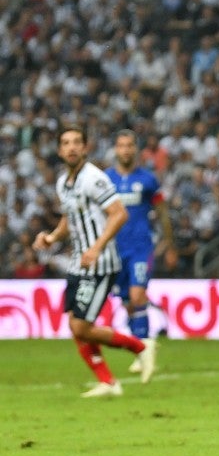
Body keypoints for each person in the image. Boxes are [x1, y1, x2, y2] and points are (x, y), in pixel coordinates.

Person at [32, 126, 154, 397]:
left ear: (85, 147)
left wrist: (97, 248)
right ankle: (108, 383)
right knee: (77, 326)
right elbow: (69, 220)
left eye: (77, 142)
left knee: (80, 326)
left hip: (100, 264)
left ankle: (140, 348)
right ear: (59, 150)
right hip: (79, 262)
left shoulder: (94, 178)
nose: (72, 147)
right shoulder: (63, 182)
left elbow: (119, 213)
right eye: (66, 143)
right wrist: (52, 238)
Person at [106, 129, 175, 376]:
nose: (125, 150)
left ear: (136, 149)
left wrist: (169, 243)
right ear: (116, 149)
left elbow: (163, 211)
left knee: (137, 296)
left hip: (140, 247)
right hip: (114, 250)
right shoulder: (105, 180)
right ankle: (139, 348)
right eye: (121, 145)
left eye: (129, 145)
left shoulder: (148, 179)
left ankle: (144, 349)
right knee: (125, 302)